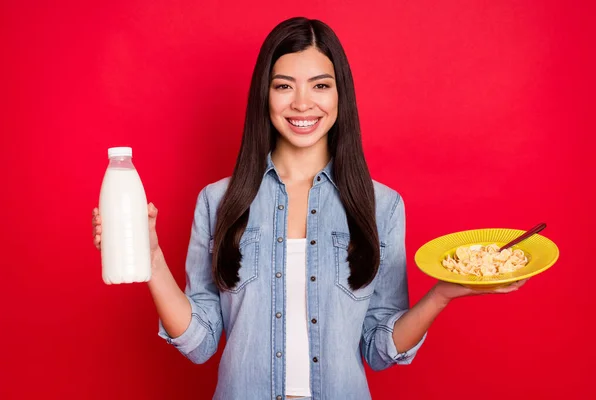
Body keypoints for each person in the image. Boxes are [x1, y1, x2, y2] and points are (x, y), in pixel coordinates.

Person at [91, 17, 526, 400]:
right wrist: (151, 260)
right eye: (284, 86)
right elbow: (201, 341)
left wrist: (442, 294)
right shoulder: (218, 201)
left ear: (340, 96)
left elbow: (379, 348)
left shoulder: (382, 207)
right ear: (265, 94)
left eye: (320, 85)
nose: (302, 103)